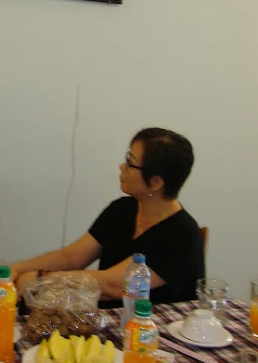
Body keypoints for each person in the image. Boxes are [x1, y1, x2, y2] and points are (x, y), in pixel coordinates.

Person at [11, 128, 204, 307]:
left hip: (152, 327)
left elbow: (114, 285)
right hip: (108, 320)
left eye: (130, 163)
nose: (122, 167)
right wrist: (17, 268)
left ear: (155, 182)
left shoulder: (182, 234)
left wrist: (41, 279)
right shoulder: (122, 209)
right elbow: (72, 257)